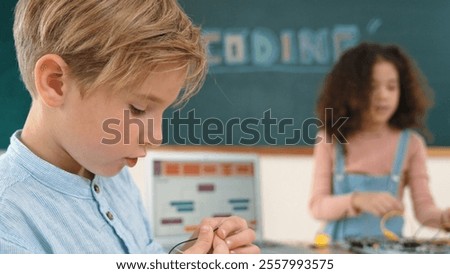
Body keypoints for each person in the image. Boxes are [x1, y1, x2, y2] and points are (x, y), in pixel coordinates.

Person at [0, 0, 259, 254]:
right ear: (55, 83)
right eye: (138, 108)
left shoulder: (112, 175)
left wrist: (182, 259)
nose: (156, 137)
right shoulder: (8, 221)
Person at [309, 42, 450, 242]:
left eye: (392, 87)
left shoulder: (411, 143)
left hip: (389, 256)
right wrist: (357, 200)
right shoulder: (330, 139)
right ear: (350, 91)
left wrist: (444, 218)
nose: (383, 95)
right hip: (338, 253)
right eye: (372, 87)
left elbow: (424, 211)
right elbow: (317, 206)